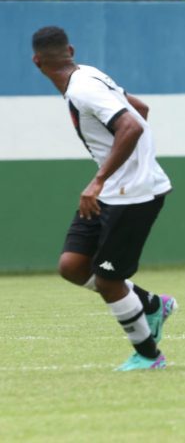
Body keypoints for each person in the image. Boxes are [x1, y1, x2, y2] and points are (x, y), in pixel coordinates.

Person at [31, 26, 177, 370]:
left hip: (132, 195)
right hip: (113, 190)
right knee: (73, 266)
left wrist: (100, 180)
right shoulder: (89, 74)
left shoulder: (82, 90)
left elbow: (133, 125)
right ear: (71, 49)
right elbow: (139, 107)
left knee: (109, 280)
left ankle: (148, 356)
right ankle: (152, 304)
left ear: (36, 61)